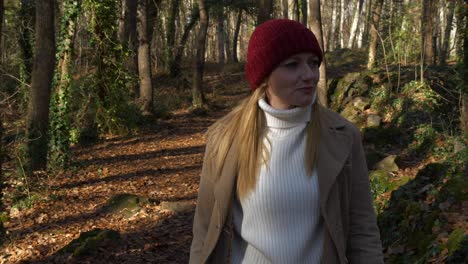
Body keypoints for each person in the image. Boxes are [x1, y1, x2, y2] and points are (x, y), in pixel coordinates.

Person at [189, 19, 383, 264]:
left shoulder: (342, 136)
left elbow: (362, 231)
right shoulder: (224, 138)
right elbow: (204, 231)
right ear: (264, 75)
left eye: (313, 63)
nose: (310, 75)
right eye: (292, 65)